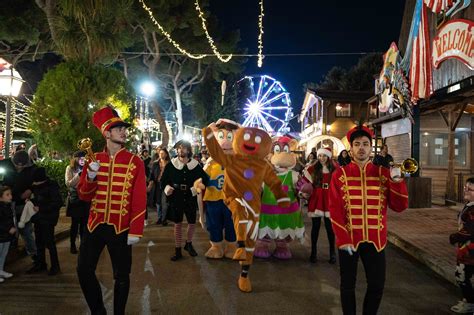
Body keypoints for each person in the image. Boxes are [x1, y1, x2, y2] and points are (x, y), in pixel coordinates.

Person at [329, 125, 408, 315]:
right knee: (347, 285)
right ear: (351, 149)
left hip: (376, 240)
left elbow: (400, 206)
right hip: (349, 240)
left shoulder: (383, 173)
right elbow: (335, 209)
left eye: (365, 144)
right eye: (357, 144)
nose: (361, 148)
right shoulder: (339, 174)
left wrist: (398, 182)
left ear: (371, 147)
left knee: (376, 285)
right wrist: (343, 238)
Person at [203, 122, 289, 293]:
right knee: (239, 213)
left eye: (258, 140)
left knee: (252, 238)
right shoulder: (232, 159)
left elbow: (274, 182)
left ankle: (244, 274)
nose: (252, 142)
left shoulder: (263, 166)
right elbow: (216, 152)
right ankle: (240, 245)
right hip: (234, 198)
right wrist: (208, 133)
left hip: (254, 205)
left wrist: (282, 197)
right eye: (248, 137)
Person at [77, 106, 147, 315]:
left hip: (121, 227)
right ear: (107, 133)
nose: (124, 132)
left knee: (122, 276)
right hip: (95, 224)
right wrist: (90, 176)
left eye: (124, 129)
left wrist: (135, 229)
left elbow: (139, 198)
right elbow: (84, 195)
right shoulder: (93, 159)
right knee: (83, 270)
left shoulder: (135, 162)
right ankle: (98, 311)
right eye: (118, 129)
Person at [160, 140, 209, 261]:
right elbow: (163, 181)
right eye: (179, 148)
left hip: (190, 196)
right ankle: (178, 250)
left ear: (188, 150)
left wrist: (195, 188)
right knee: (177, 223)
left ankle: (189, 243)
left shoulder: (195, 165)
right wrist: (167, 188)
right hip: (176, 196)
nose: (181, 150)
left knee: (192, 222)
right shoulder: (171, 164)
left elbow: (205, 180)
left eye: (184, 148)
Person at [0, 150, 37, 264]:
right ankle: (10, 250)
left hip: (22, 203)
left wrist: (30, 190)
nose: (19, 168)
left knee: (26, 230)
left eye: (22, 167)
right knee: (8, 228)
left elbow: (38, 181)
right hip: (6, 203)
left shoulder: (32, 168)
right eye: (17, 166)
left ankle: (34, 255)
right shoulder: (4, 164)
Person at [27, 167, 63, 275]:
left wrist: (41, 208)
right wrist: (31, 201)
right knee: (39, 242)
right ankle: (41, 264)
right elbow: (37, 199)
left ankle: (55, 266)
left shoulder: (51, 186)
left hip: (48, 218)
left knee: (49, 242)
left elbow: (57, 203)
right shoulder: (35, 186)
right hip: (38, 218)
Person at [304, 147, 337, 264]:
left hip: (329, 199)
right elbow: (304, 180)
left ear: (328, 156)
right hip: (316, 198)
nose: (321, 158)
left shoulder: (335, 168)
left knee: (330, 228)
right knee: (315, 227)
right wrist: (305, 190)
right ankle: (313, 252)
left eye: (324, 156)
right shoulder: (314, 168)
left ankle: (332, 252)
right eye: (319, 156)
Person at [449, 177, 474, 314]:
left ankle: (469, 302)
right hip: (466, 249)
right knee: (462, 274)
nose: (466, 190)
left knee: (462, 275)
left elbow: (470, 230)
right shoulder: (469, 205)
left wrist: (455, 237)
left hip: (470, 250)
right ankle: (469, 301)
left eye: (469, 189)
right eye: (465, 188)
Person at [65, 151, 90, 254]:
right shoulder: (69, 168)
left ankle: (83, 245)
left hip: (85, 199)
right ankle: (72, 244)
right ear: (75, 159)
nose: (82, 160)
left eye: (84, 158)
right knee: (75, 224)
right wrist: (79, 175)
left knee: (84, 224)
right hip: (75, 199)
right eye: (80, 158)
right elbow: (68, 183)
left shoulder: (88, 167)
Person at [149, 147, 170, 226]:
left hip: (166, 185)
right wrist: (150, 184)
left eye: (163, 153)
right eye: (160, 153)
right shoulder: (155, 163)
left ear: (166, 154)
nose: (161, 155)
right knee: (158, 203)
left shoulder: (169, 164)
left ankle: (164, 219)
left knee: (164, 203)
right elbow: (152, 175)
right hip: (157, 185)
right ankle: (159, 218)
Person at [0, 186, 16, 282]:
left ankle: (1, 270)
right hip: (2, 235)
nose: (10, 196)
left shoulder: (7, 206)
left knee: (3, 254)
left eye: (10, 194)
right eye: (7, 194)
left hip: (6, 235)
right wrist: (8, 228)